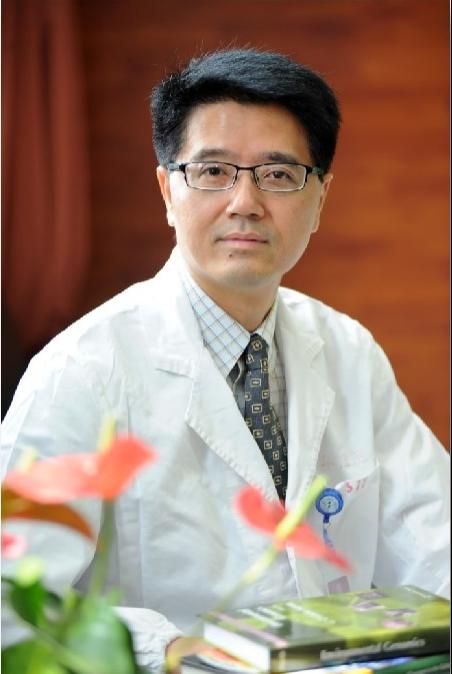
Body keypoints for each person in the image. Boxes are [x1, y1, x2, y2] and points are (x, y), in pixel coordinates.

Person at [1, 48, 449, 671]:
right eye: (213, 171)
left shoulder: (349, 351)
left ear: (320, 198)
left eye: (279, 173)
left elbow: (435, 535)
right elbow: (15, 601)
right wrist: (177, 650)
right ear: (167, 190)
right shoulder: (80, 369)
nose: (245, 201)